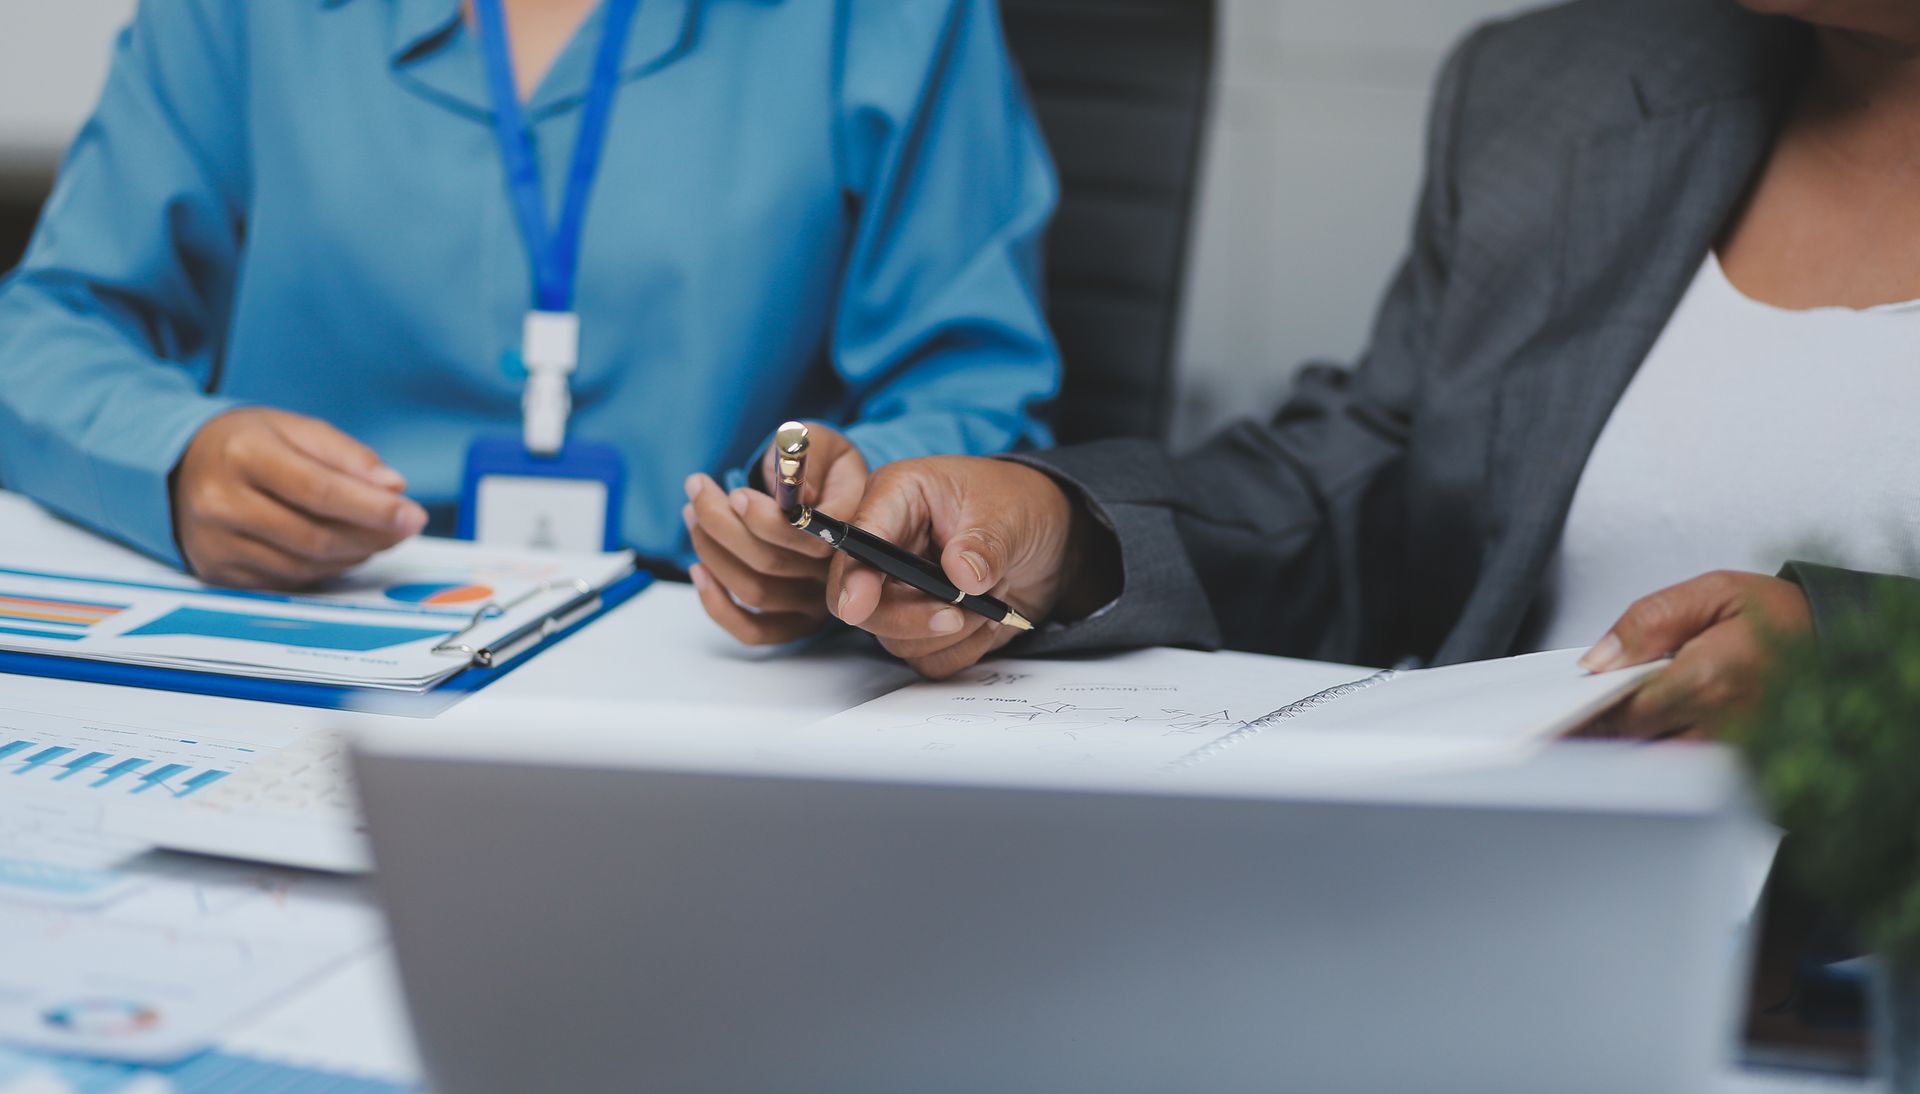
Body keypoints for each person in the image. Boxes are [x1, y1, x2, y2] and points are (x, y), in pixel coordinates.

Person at [784, 0, 1920, 740]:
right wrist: (1067, 534)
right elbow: (1352, 503)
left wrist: (1866, 670)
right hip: (1491, 919)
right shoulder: (1557, 95)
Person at [0, 0, 1058, 599]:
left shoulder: (890, 19)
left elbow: (974, 396)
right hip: (315, 625)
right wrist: (175, 456)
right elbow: (45, 331)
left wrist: (839, 522)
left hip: (712, 649)